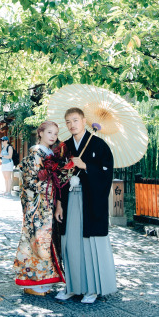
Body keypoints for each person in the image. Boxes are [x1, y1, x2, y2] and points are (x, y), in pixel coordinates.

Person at [54, 107, 117, 303]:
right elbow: (57, 178)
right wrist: (58, 204)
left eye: (75, 120)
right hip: (69, 199)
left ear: (83, 121)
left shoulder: (98, 144)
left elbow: (107, 173)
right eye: (68, 122)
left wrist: (86, 166)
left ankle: (93, 289)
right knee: (70, 243)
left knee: (91, 245)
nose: (71, 124)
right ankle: (72, 287)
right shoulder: (64, 147)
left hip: (90, 201)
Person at [14, 121, 65, 296]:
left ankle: (43, 279)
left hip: (48, 204)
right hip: (37, 206)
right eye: (49, 132)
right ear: (41, 133)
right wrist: (46, 177)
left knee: (45, 242)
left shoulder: (51, 154)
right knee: (36, 241)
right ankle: (32, 281)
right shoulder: (36, 153)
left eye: (56, 134)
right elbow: (29, 181)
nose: (53, 136)